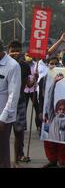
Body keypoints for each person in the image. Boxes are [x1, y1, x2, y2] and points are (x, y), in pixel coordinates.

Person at [7, 41, 32, 164]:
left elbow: (29, 84)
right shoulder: (3, 64)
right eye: (13, 51)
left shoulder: (25, 66)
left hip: (20, 102)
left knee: (19, 131)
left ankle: (18, 155)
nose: (15, 53)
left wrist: (35, 78)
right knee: (4, 132)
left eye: (17, 50)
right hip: (4, 102)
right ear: (8, 51)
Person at [0, 39, 21, 168]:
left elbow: (13, 95)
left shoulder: (12, 66)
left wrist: (3, 118)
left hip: (3, 117)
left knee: (2, 153)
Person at [42, 72, 65, 168]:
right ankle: (52, 161)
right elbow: (50, 98)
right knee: (49, 144)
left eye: (63, 110)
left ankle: (61, 161)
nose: (61, 111)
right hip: (51, 140)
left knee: (63, 146)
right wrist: (54, 83)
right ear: (56, 109)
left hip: (62, 143)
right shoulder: (52, 117)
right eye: (60, 109)